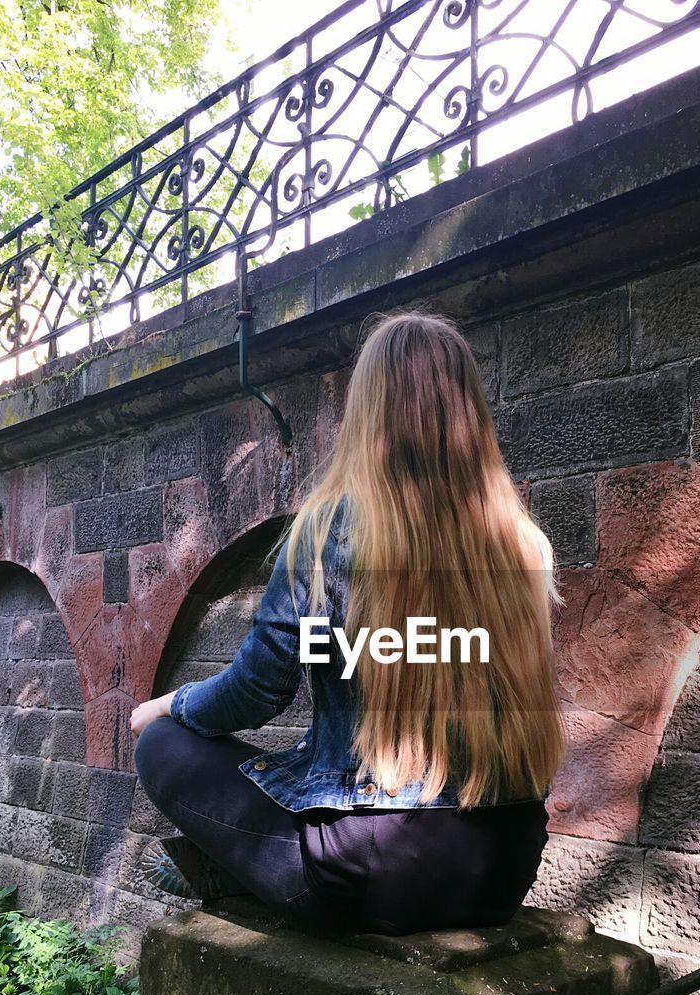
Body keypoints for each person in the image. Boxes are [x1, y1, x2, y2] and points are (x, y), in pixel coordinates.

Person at [130, 307, 566, 935]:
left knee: (162, 745)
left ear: (367, 414)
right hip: (504, 868)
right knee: (290, 771)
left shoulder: (330, 531)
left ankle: (233, 872)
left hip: (374, 874)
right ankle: (230, 870)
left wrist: (171, 705)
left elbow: (261, 687)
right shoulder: (522, 546)